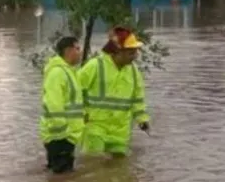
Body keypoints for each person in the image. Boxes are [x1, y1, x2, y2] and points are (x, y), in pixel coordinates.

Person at [78, 26, 150, 157]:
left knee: (120, 165)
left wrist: (142, 119)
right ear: (118, 51)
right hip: (95, 127)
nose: (135, 56)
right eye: (131, 53)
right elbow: (74, 91)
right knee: (93, 163)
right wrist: (82, 114)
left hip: (120, 131)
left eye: (135, 52)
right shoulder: (95, 66)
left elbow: (137, 99)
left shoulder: (134, 72)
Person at [40, 36, 85, 174]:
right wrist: (62, 130)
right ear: (68, 50)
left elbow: (72, 102)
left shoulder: (69, 71)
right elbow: (54, 104)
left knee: (62, 178)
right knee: (62, 178)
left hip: (67, 136)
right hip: (60, 136)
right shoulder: (57, 73)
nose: (80, 52)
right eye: (77, 48)